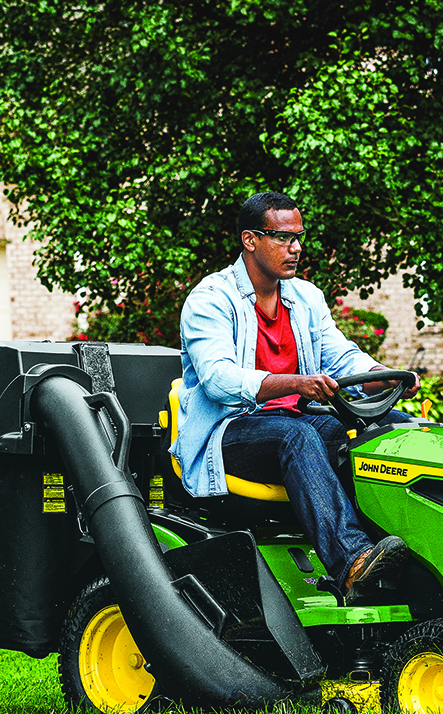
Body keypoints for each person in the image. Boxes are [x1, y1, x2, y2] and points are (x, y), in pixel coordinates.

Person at [172, 191, 421, 603]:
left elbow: (341, 357)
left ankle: (408, 558)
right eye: (284, 238)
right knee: (296, 436)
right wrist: (294, 383)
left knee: (386, 434)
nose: (297, 248)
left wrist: (382, 378)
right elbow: (218, 379)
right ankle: (352, 563)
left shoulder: (305, 299)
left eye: (299, 237)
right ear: (250, 240)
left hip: (294, 423)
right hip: (229, 431)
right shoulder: (210, 300)